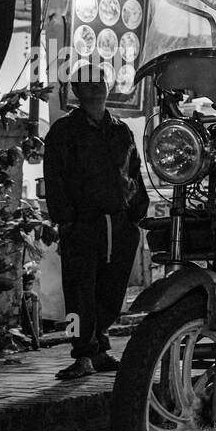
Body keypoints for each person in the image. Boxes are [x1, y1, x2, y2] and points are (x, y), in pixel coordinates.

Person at [43, 66, 149, 379]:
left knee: (112, 290)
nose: (95, 89)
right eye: (87, 84)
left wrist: (135, 213)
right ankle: (83, 355)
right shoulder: (64, 132)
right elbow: (55, 178)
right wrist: (66, 219)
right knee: (79, 291)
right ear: (77, 90)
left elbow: (134, 171)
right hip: (83, 224)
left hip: (119, 223)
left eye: (99, 82)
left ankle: (100, 345)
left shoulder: (120, 129)